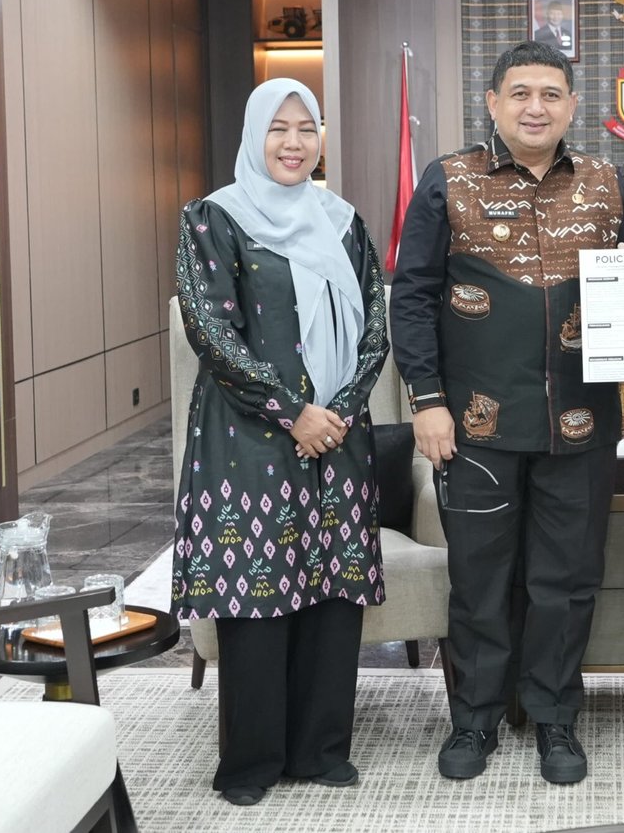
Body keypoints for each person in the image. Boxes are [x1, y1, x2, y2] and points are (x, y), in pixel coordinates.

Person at [391, 40, 624, 785]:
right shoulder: (449, 180)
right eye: (521, 93)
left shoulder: (604, 183)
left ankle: (555, 718)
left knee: (568, 579)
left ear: (572, 106)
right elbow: (412, 297)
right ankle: (475, 718)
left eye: (552, 94)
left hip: (583, 423)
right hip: (474, 424)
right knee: (480, 578)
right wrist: (427, 400)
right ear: (494, 103)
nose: (537, 107)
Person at [172, 78, 390, 807]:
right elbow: (212, 331)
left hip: (339, 437)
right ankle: (251, 762)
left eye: (307, 128)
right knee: (257, 593)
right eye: (279, 128)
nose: (294, 143)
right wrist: (294, 412)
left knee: (332, 592)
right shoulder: (216, 218)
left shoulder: (344, 222)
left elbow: (375, 329)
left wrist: (338, 411)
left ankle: (321, 749)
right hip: (250, 438)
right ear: (254, 134)